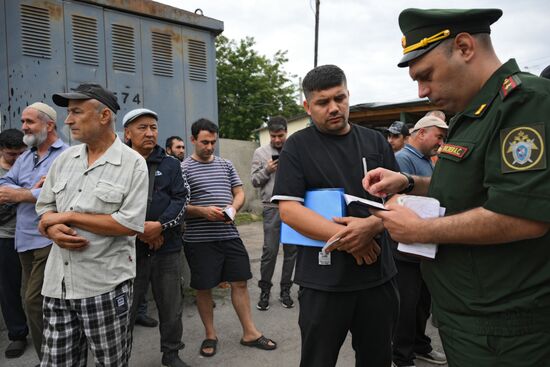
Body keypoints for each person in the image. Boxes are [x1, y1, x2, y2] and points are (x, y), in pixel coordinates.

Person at [363, 8, 550, 366]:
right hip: (471, 319)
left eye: (426, 75)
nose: (422, 91)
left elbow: (523, 214)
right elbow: (472, 188)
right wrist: (409, 181)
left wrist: (421, 230)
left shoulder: (523, 103)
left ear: (464, 47)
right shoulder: (472, 113)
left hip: (507, 331)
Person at [272, 64, 399, 367]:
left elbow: (398, 197)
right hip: (323, 282)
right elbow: (289, 210)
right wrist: (350, 238)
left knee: (377, 358)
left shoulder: (375, 141)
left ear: (348, 95)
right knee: (318, 360)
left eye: (340, 98)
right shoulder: (297, 147)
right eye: (323, 102)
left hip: (377, 277)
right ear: (307, 106)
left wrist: (372, 225)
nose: (334, 108)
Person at [36, 83, 148, 366]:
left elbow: (129, 224)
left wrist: (69, 217)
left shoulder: (132, 163)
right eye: (68, 112)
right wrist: (50, 228)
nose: (68, 120)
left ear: (104, 115)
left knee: (109, 361)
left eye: (76, 112)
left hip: (104, 287)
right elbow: (45, 209)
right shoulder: (64, 160)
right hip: (57, 287)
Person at [182, 118, 276, 358]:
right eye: (204, 142)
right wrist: (202, 211)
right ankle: (210, 335)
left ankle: (250, 333)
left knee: (241, 281)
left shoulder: (225, 164)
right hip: (199, 238)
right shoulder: (183, 169)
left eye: (213, 142)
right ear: (193, 140)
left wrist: (233, 209)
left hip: (229, 234)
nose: (210, 146)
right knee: (204, 288)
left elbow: (239, 192)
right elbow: (179, 204)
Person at [0, 102, 68, 361]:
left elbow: (61, 193)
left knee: (33, 302)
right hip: (23, 239)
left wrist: (23, 193)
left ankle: (50, 357)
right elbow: (4, 182)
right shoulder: (27, 156)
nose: (23, 127)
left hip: (48, 238)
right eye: (23, 121)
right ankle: (51, 355)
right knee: (38, 302)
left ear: (49, 125)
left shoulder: (66, 155)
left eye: (29, 122)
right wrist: (34, 189)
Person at [123, 108, 190, 367]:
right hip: (128, 249)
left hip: (167, 247)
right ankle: (119, 356)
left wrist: (160, 226)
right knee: (125, 310)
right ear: (127, 133)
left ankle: (171, 354)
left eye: (153, 127)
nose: (150, 133)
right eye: (142, 128)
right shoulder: (117, 162)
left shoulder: (171, 164)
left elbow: (181, 198)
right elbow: (113, 204)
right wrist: (141, 231)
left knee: (171, 307)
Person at [392, 115, 448, 367]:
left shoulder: (427, 160)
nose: (440, 141)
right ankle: (402, 357)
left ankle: (420, 345)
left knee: (422, 301)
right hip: (408, 246)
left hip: (425, 243)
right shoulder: (402, 159)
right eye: (438, 135)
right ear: (421, 133)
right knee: (407, 303)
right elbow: (400, 201)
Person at [251, 116, 297, 311]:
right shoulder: (260, 153)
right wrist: (267, 170)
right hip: (271, 208)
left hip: (294, 206)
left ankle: (285, 290)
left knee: (291, 251)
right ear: (268, 134)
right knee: (269, 251)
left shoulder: (295, 148)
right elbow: (254, 181)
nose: (277, 140)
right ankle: (265, 291)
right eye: (273, 136)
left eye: (280, 135)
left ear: (286, 132)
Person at [0, 129, 28, 359]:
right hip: (5, 237)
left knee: (38, 289)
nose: (18, 159)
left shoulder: (33, 164)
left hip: (34, 235)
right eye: (12, 155)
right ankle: (17, 334)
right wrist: (25, 194)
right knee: (8, 289)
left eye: (22, 153)